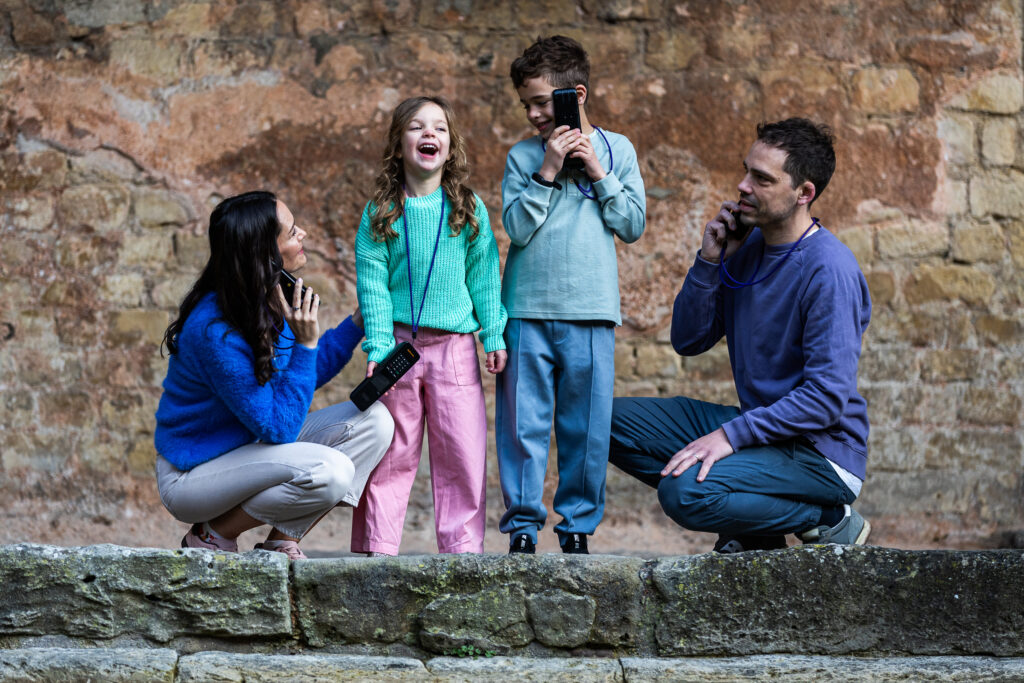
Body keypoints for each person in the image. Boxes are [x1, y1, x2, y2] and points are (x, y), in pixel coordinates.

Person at [609, 118, 872, 553]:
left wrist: (728, 437)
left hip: (819, 453)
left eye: (762, 179)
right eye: (746, 170)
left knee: (685, 493)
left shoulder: (829, 269)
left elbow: (827, 398)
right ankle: (755, 532)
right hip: (762, 432)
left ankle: (828, 516)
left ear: (803, 193)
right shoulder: (745, 249)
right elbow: (688, 341)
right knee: (602, 424)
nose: (742, 185)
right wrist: (710, 262)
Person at [155, 191, 394, 560]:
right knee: (330, 471)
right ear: (265, 253)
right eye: (293, 231)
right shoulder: (214, 331)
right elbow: (279, 427)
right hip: (194, 473)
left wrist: (357, 322)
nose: (305, 236)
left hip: (250, 445)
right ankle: (213, 532)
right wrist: (306, 345)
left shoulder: (265, 297)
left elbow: (300, 378)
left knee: (375, 422)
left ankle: (282, 539)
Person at [497, 36, 646, 555]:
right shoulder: (523, 156)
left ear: (575, 95)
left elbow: (632, 225)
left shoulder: (618, 149)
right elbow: (515, 229)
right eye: (527, 105)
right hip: (526, 309)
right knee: (523, 424)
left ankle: (578, 524)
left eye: (542, 102)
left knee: (586, 426)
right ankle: (521, 525)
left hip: (590, 309)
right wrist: (548, 170)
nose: (535, 114)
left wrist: (600, 173)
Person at [351, 96, 507, 557]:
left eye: (438, 128)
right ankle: (378, 550)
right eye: (417, 127)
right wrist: (378, 345)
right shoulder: (381, 212)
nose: (428, 135)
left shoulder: (467, 207)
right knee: (391, 453)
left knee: (461, 451)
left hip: (455, 349)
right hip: (399, 348)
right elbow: (373, 285)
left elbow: (484, 277)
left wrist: (493, 334)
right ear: (399, 145)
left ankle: (462, 551)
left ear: (449, 145)